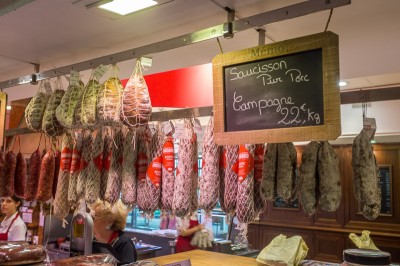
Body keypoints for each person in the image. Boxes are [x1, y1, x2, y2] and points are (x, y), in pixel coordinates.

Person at [90, 200, 137, 265]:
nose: (90, 222)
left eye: (94, 218)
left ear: (109, 222)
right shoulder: (95, 241)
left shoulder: (124, 244)